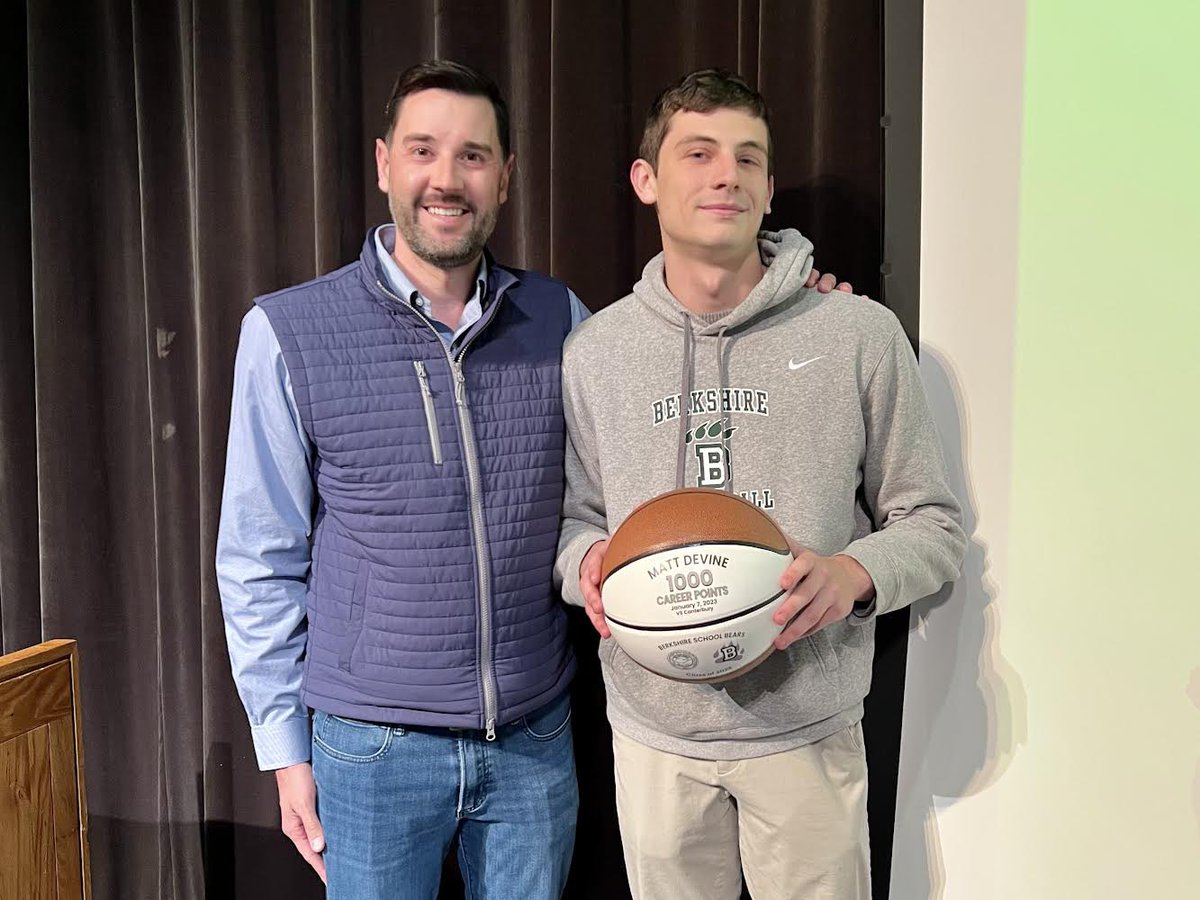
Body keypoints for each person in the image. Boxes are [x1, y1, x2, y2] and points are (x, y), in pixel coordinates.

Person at [216, 58, 858, 898]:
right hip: (370, 751)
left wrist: (797, 299)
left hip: (533, 742)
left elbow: (660, 383)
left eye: (474, 156)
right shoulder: (287, 331)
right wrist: (283, 749)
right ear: (383, 163)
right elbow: (258, 559)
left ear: (506, 176)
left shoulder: (563, 321)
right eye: (423, 151)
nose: (448, 179)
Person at [554, 69, 967, 899]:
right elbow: (577, 520)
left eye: (748, 158)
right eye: (698, 153)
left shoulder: (857, 333)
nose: (726, 175)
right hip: (654, 735)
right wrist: (587, 565)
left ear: (769, 188)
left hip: (806, 729)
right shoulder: (595, 351)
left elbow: (932, 523)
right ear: (646, 180)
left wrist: (853, 573)